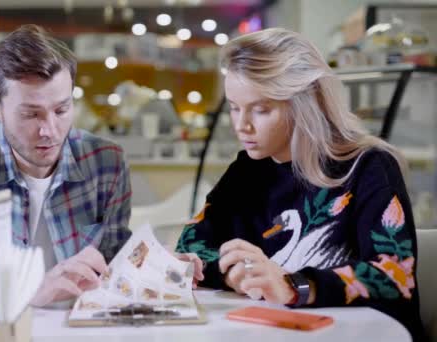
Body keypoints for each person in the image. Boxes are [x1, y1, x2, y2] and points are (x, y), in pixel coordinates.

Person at [175, 28, 425, 340]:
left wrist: (295, 285)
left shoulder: (369, 166)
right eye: (235, 107)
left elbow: (395, 276)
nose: (242, 125)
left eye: (261, 109)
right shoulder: (245, 171)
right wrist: (235, 275)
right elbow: (190, 246)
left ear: (303, 103)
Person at [0, 24, 132, 307]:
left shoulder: (107, 161)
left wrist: (160, 265)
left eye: (61, 110)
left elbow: (116, 263)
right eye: (31, 114)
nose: (50, 131)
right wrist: (25, 289)